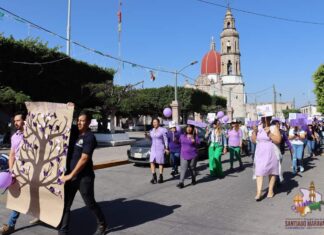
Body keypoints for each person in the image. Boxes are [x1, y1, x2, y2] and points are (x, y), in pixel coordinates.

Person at [59, 112, 107, 235]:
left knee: (90, 203)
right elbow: (65, 121)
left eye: (82, 121)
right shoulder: (75, 133)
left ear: (89, 122)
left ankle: (102, 224)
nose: (79, 122)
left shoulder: (89, 137)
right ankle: (63, 231)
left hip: (84, 177)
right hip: (70, 176)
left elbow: (84, 158)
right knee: (66, 205)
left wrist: (71, 175)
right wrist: (69, 109)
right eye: (78, 120)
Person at [0, 112, 40, 235]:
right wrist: (12, 170)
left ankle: (43, 216)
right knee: (19, 197)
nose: (15, 123)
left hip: (33, 169)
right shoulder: (15, 136)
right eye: (15, 121)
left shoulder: (33, 134)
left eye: (18, 120)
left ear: (24, 120)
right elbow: (12, 154)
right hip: (18, 170)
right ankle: (11, 225)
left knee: (37, 194)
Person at [252, 116, 281, 201]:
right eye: (262, 118)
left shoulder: (273, 127)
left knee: (271, 171)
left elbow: (278, 140)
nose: (264, 120)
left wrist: (269, 133)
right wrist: (254, 131)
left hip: (271, 151)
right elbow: (253, 140)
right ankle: (258, 193)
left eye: (266, 118)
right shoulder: (259, 127)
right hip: (260, 152)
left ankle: (270, 190)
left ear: (269, 118)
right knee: (259, 171)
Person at [145, 118, 169, 184]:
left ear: (158, 123)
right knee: (151, 161)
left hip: (160, 148)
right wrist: (147, 136)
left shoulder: (163, 130)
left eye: (155, 122)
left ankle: (161, 177)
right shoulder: (151, 130)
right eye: (153, 122)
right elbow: (151, 139)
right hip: (153, 148)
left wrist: (166, 148)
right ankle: (154, 177)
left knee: (160, 162)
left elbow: (166, 139)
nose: (154, 123)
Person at [177, 124, 200, 189]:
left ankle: (193, 180)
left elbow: (198, 144)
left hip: (193, 155)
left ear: (192, 129)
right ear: (186, 129)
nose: (189, 129)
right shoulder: (182, 136)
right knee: (183, 169)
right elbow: (178, 143)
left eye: (190, 128)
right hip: (184, 154)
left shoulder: (195, 137)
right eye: (187, 127)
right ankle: (181, 182)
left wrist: (194, 141)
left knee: (192, 168)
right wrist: (175, 140)